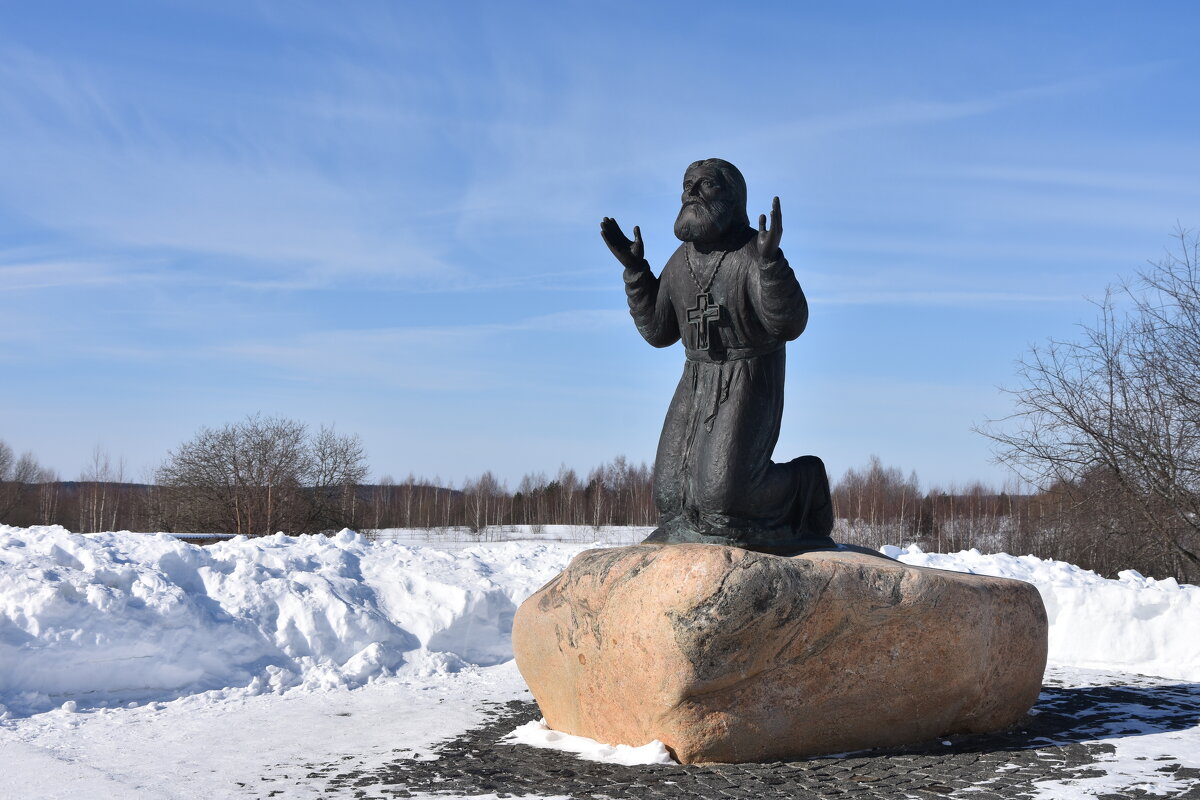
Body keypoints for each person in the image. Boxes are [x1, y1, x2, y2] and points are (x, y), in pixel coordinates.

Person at [600, 158, 834, 555]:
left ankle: (803, 482)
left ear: (733, 197)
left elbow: (790, 324)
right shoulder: (680, 262)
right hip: (695, 377)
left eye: (705, 184)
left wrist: (771, 264)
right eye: (687, 184)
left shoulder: (749, 252)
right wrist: (637, 271)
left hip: (749, 374)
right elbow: (659, 333)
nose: (691, 192)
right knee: (671, 494)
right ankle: (698, 527)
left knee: (722, 494)